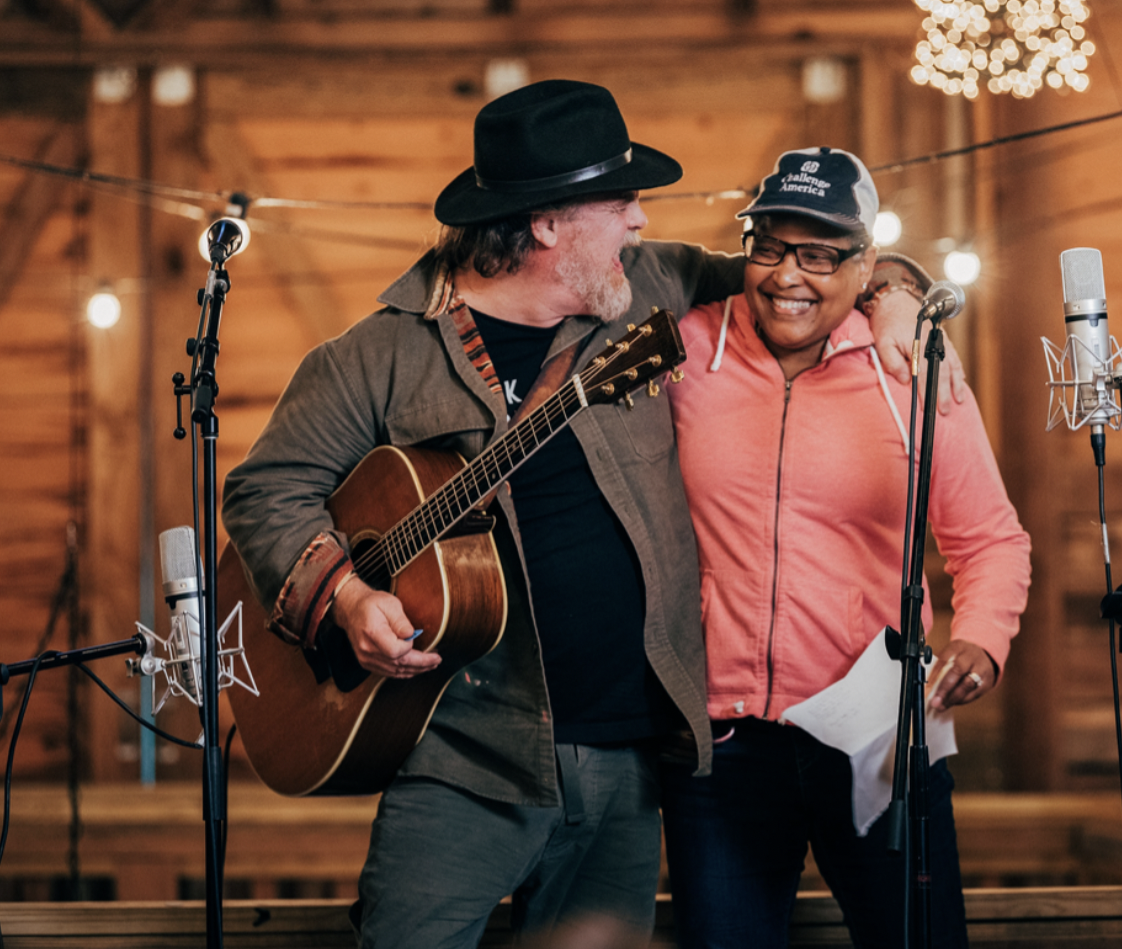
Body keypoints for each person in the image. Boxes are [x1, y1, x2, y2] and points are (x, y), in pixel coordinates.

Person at [221, 84, 938, 949]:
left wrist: (901, 291)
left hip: (630, 767)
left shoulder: (656, 288)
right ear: (549, 222)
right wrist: (342, 594)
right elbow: (265, 492)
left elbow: (805, 273)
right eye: (620, 201)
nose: (641, 221)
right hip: (461, 759)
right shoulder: (377, 355)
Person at [659, 147, 1033, 949]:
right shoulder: (685, 355)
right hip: (723, 749)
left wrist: (983, 638)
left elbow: (990, 538)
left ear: (865, 266)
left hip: (879, 735)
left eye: (821, 254)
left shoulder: (911, 368)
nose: (787, 274)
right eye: (768, 246)